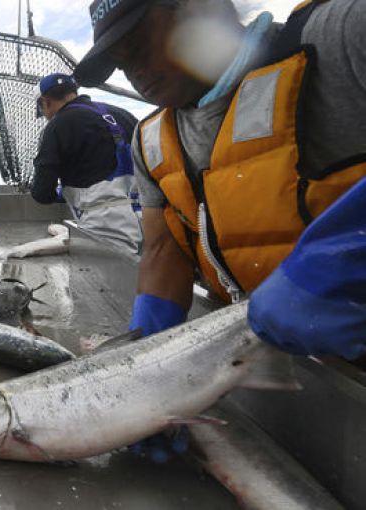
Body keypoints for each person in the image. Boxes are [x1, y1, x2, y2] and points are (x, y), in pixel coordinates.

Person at [74, 0, 366, 459]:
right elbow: (162, 249)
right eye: (118, 60)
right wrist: (148, 378)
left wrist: (348, 252)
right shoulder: (149, 141)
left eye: (136, 43)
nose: (131, 69)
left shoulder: (342, 36)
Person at [31, 73, 142, 254]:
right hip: (152, 222)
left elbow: (42, 193)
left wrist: (58, 194)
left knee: (108, 279)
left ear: (45, 101)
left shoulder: (57, 125)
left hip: (106, 226)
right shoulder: (123, 114)